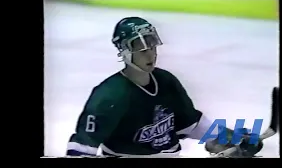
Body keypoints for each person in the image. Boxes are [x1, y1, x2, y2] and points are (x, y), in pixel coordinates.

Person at [66, 17, 263, 158]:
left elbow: (191, 124)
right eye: (142, 49)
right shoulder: (110, 96)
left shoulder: (166, 81)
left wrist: (233, 137)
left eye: (152, 47)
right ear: (125, 52)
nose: (150, 55)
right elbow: (81, 148)